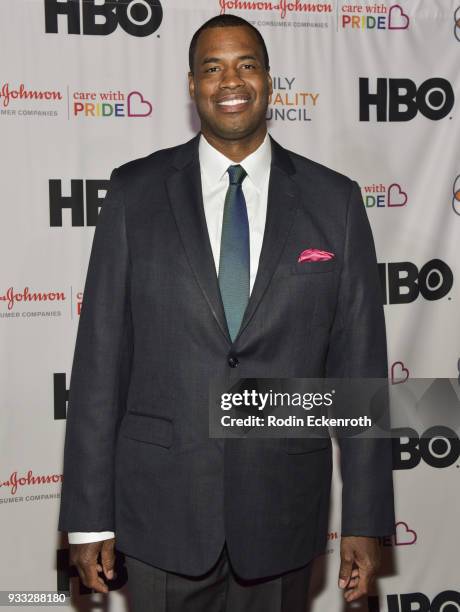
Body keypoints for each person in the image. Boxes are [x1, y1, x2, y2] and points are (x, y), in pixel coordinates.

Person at [58, 14, 395, 612]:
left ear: (270, 81)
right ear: (192, 86)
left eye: (246, 65)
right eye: (212, 68)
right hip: (162, 515)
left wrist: (366, 519)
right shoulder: (134, 195)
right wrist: (86, 519)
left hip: (282, 514)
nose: (229, 80)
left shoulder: (334, 202)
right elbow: (99, 363)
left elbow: (359, 375)